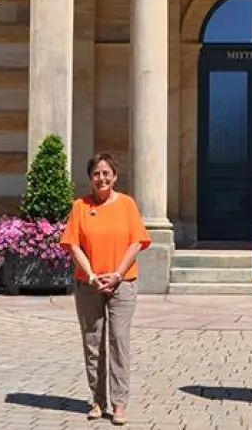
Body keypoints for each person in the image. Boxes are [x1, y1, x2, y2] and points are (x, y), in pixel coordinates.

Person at [59, 153, 151, 426]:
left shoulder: (127, 204)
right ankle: (98, 400)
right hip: (90, 285)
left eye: (106, 173)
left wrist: (117, 274)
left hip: (123, 284)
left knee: (118, 341)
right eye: (96, 174)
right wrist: (91, 275)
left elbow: (136, 242)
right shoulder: (80, 206)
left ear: (115, 176)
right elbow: (73, 244)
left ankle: (119, 403)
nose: (101, 178)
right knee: (93, 343)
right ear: (90, 178)